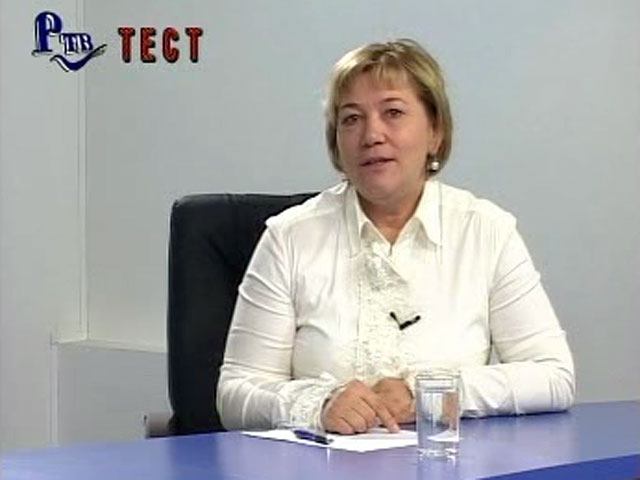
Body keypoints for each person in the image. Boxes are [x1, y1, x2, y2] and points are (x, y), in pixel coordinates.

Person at [217, 39, 575, 434]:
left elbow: (553, 376)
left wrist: (430, 393)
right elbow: (235, 393)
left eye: (393, 113)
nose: (371, 134)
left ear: (435, 132)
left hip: (446, 460)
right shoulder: (289, 238)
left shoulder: (486, 231)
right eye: (351, 119)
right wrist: (318, 405)